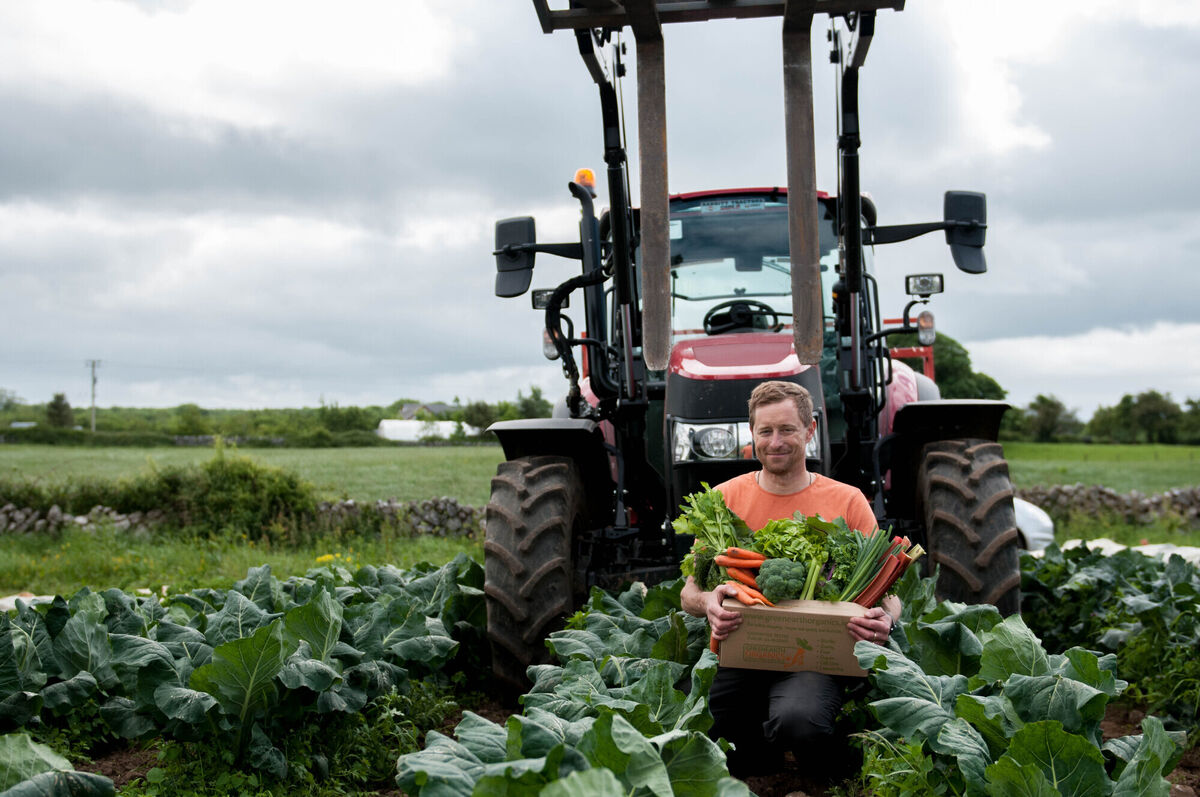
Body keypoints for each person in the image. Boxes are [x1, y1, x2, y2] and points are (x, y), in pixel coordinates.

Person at [680, 380, 900, 777]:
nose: (775, 441)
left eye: (787, 430)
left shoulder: (847, 501)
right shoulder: (725, 499)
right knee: (710, 726)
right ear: (753, 434)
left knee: (800, 722)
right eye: (765, 431)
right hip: (744, 649)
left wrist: (888, 619)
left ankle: (833, 762)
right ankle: (761, 757)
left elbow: (889, 593)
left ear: (810, 430)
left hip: (815, 653)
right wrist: (709, 601)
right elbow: (689, 590)